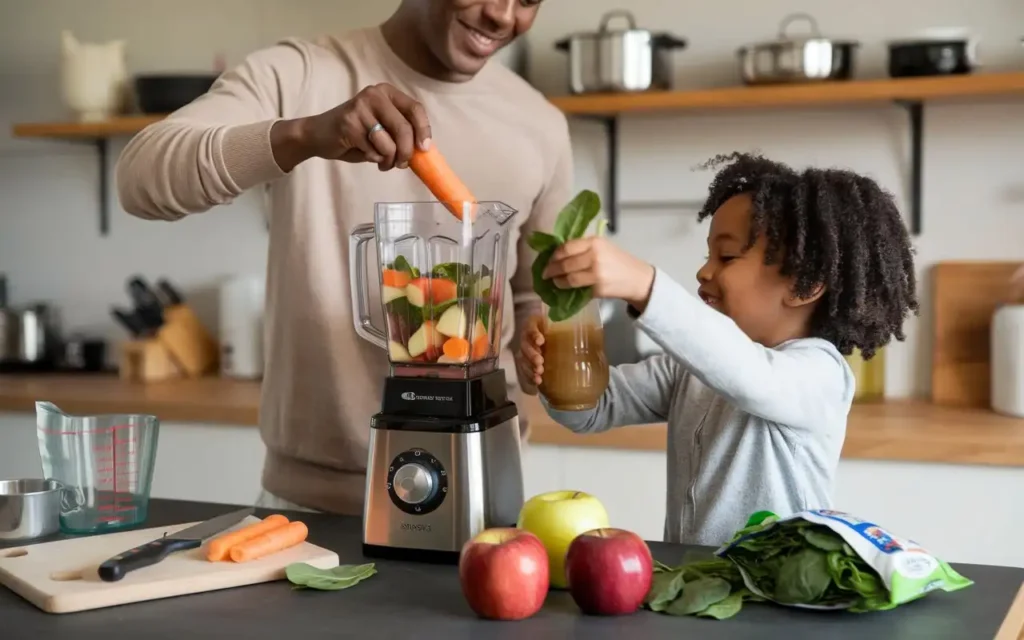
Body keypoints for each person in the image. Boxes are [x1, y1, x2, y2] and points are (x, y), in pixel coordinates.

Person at [115, 0, 571, 514]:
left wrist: (542, 337)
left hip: (490, 492)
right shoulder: (299, 76)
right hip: (310, 507)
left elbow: (536, 294)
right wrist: (306, 134)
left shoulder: (542, 125)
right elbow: (139, 180)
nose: (502, 15)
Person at [517, 152, 920, 545]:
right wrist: (551, 363)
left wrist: (645, 285)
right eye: (708, 254)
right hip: (695, 591)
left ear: (805, 284)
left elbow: (749, 376)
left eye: (726, 256)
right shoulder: (689, 372)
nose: (704, 271)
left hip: (774, 600)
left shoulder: (820, 375)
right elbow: (593, 410)